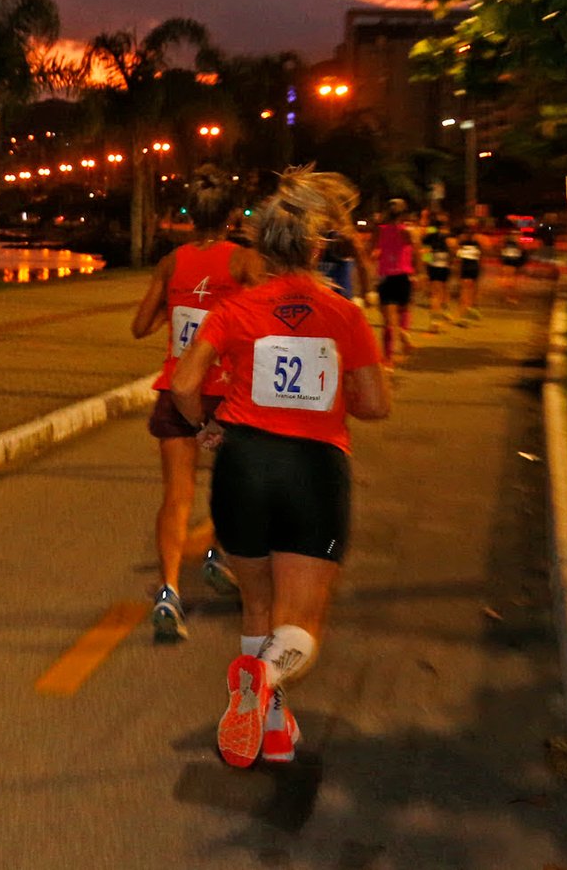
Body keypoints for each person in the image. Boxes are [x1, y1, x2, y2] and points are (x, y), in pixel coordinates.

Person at [170, 166, 391, 768]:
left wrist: (207, 428)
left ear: (263, 246)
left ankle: (270, 726)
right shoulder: (343, 315)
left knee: (257, 607)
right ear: (319, 246)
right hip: (313, 470)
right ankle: (263, 677)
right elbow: (374, 405)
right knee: (302, 623)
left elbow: (185, 385)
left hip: (242, 465)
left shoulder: (234, 309)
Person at [131, 166, 264, 641]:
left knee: (177, 495)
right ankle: (218, 555)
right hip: (227, 394)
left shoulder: (171, 262)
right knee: (233, 491)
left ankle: (168, 592)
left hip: (175, 389)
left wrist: (179, 300)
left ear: (189, 214)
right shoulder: (246, 262)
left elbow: (140, 326)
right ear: (231, 215)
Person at [373, 199, 420, 363]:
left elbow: (372, 252)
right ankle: (403, 331)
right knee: (404, 310)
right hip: (403, 275)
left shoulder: (380, 230)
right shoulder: (408, 231)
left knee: (386, 322)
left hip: (385, 276)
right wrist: (418, 273)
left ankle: (388, 360)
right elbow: (417, 252)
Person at [422, 213, 458, 332]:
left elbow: (426, 250)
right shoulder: (447, 234)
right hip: (444, 263)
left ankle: (435, 320)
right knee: (442, 289)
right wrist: (452, 261)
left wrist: (426, 265)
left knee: (435, 293)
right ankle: (444, 311)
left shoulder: (430, 233)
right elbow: (453, 248)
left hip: (434, 263)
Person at [454, 218, 485, 323]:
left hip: (466, 267)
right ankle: (466, 313)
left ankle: (463, 314)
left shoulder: (461, 238)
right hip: (473, 267)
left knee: (464, 291)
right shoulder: (479, 239)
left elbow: (457, 254)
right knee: (470, 291)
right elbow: (482, 254)